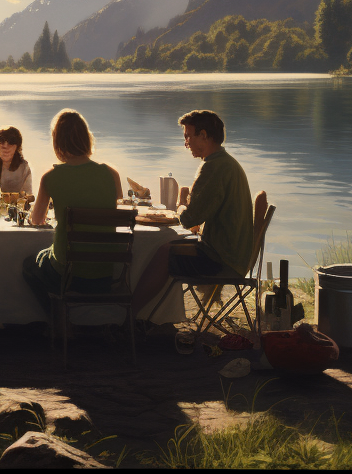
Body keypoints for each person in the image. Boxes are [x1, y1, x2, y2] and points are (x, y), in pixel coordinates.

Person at [131, 109, 264, 318]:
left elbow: (189, 218)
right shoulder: (226, 163)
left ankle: (131, 313)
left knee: (162, 252)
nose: (186, 143)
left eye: (188, 136)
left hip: (222, 261)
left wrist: (180, 204)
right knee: (166, 248)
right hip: (234, 255)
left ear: (203, 135)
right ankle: (150, 317)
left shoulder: (213, 167)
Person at [21, 109, 124, 316]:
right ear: (87, 139)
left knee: (30, 265)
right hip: (104, 275)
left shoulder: (51, 177)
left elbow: (36, 220)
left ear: (57, 142)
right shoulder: (111, 173)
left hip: (67, 276)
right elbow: (117, 208)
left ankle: (57, 320)